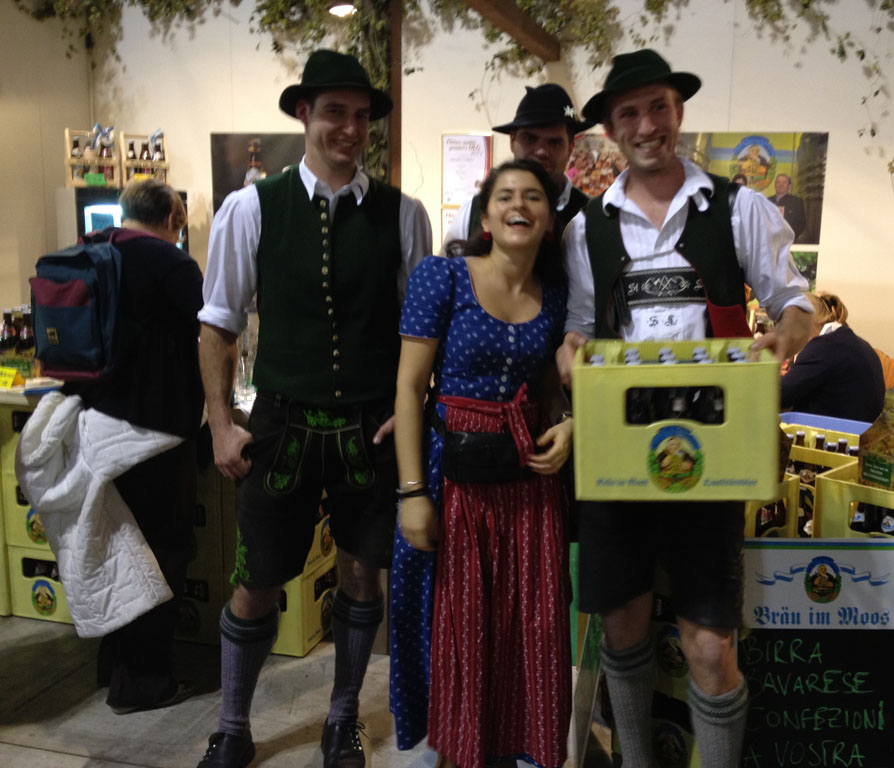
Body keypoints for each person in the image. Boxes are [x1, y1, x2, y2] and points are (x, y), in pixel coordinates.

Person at [555, 50, 814, 768]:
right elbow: (580, 324)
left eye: (659, 107)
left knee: (709, 645)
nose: (647, 125)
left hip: (714, 450)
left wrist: (784, 337)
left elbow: (798, 304)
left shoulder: (740, 208)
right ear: (611, 128)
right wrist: (571, 350)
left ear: (679, 112)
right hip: (619, 450)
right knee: (624, 628)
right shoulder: (587, 228)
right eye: (630, 113)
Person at [195, 49, 432, 768]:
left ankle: (343, 720)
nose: (350, 129)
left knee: (361, 576)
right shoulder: (250, 208)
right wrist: (221, 424)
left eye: (361, 116)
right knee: (255, 582)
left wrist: (412, 409)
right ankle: (232, 726)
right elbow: (217, 326)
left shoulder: (404, 214)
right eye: (335, 112)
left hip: (370, 427)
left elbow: (419, 333)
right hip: (281, 423)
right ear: (304, 114)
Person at [392, 158, 574, 768]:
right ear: (487, 217)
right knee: (459, 624)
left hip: (528, 480)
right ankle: (459, 750)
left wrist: (571, 423)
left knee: (529, 625)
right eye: (505, 196)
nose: (519, 204)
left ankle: (515, 747)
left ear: (549, 221)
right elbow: (409, 388)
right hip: (453, 475)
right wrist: (411, 492)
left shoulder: (557, 297)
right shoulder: (442, 277)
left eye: (533, 197)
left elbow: (550, 388)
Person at [56, 179, 204, 715]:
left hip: (95, 426)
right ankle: (143, 682)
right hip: (155, 432)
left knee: (116, 546)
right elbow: (211, 332)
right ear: (171, 218)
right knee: (162, 551)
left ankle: (113, 665)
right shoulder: (172, 263)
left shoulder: (89, 252)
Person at [442, 83, 593, 250]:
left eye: (554, 142)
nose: (541, 151)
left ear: (571, 148)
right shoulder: (472, 213)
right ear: (512, 141)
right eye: (530, 139)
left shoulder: (592, 217)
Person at [780, 292, 885, 422]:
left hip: (834, 432)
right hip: (862, 431)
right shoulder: (857, 343)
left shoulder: (822, 347)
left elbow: (778, 396)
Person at [768, 173, 807, 242]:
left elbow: (801, 224)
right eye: (778, 182)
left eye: (784, 182)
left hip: (788, 241)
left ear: (789, 186)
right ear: (775, 185)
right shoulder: (767, 200)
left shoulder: (796, 201)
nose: (781, 184)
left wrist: (789, 237)